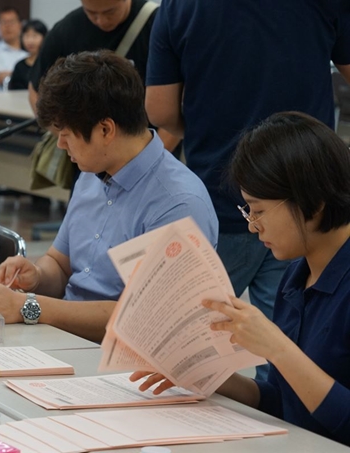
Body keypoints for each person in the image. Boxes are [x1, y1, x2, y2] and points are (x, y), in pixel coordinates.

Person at [144, 0, 350, 378]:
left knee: (185, 341)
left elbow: (159, 110)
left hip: (220, 194)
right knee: (293, 358)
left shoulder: (179, 7)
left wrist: (210, 123)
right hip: (307, 197)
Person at [0, 51, 217, 343]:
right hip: (61, 336)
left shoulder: (177, 204)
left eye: (65, 133)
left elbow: (141, 319)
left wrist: (27, 305)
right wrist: (37, 276)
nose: (60, 144)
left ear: (105, 129)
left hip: (121, 360)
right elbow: (62, 264)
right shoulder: (92, 174)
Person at [132, 112, 350, 447]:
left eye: (258, 210)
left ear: (314, 202)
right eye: (247, 211)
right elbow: (283, 402)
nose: (252, 226)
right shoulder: (298, 273)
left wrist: (277, 347)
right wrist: (205, 375)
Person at [27, 0, 179, 185]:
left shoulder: (158, 24)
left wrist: (152, 159)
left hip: (148, 160)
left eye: (110, 12)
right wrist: (68, 137)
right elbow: (37, 92)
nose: (101, 21)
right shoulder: (67, 29)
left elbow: (180, 102)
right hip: (90, 169)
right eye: (91, 13)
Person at [0, 7, 28, 90]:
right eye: (3, 22)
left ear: (20, 25)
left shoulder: (27, 53)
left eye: (12, 22)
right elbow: (1, 79)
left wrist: (11, 73)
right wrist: (27, 73)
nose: (8, 26)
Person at [8, 19, 48, 90]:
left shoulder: (49, 63)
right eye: (26, 36)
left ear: (44, 37)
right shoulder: (19, 66)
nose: (30, 41)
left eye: (35, 36)